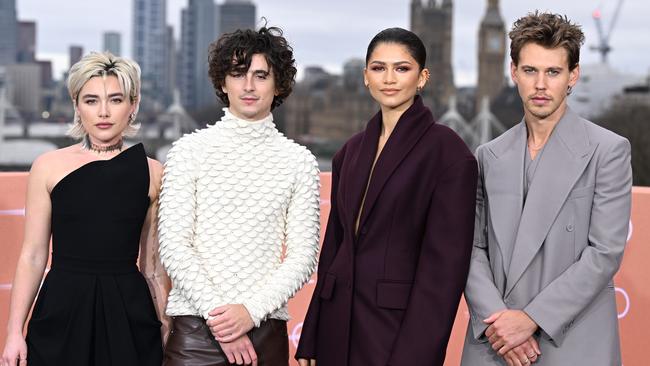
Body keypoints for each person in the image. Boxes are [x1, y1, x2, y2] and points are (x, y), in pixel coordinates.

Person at [296, 27, 478, 366]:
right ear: (366, 77)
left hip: (393, 334)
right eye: (379, 68)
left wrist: (416, 357)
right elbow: (334, 249)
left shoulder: (448, 154)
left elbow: (443, 274)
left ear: (422, 77)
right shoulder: (349, 152)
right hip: (337, 327)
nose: (389, 78)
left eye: (402, 68)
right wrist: (312, 334)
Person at [461, 12, 632, 366]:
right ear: (514, 73)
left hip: (570, 340)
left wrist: (531, 319)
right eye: (530, 71)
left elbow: (604, 253)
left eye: (553, 72)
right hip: (495, 341)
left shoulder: (608, 150)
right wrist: (501, 322)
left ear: (573, 76)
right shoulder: (488, 156)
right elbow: (471, 248)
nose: (541, 85)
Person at [158, 25, 320, 366]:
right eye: (237, 73)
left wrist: (249, 312)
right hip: (195, 333)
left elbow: (303, 258)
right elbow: (174, 247)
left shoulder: (299, 162)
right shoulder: (189, 151)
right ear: (222, 82)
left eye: (260, 75)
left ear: (278, 84)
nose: (248, 86)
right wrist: (224, 323)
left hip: (265, 330)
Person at [0, 52, 166, 366]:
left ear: (134, 105)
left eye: (115, 100)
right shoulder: (48, 167)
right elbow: (33, 255)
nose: (103, 112)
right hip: (61, 308)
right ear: (77, 106)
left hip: (129, 312)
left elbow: (152, 267)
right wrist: (13, 332)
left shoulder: (153, 172)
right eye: (91, 101)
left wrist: (166, 324)